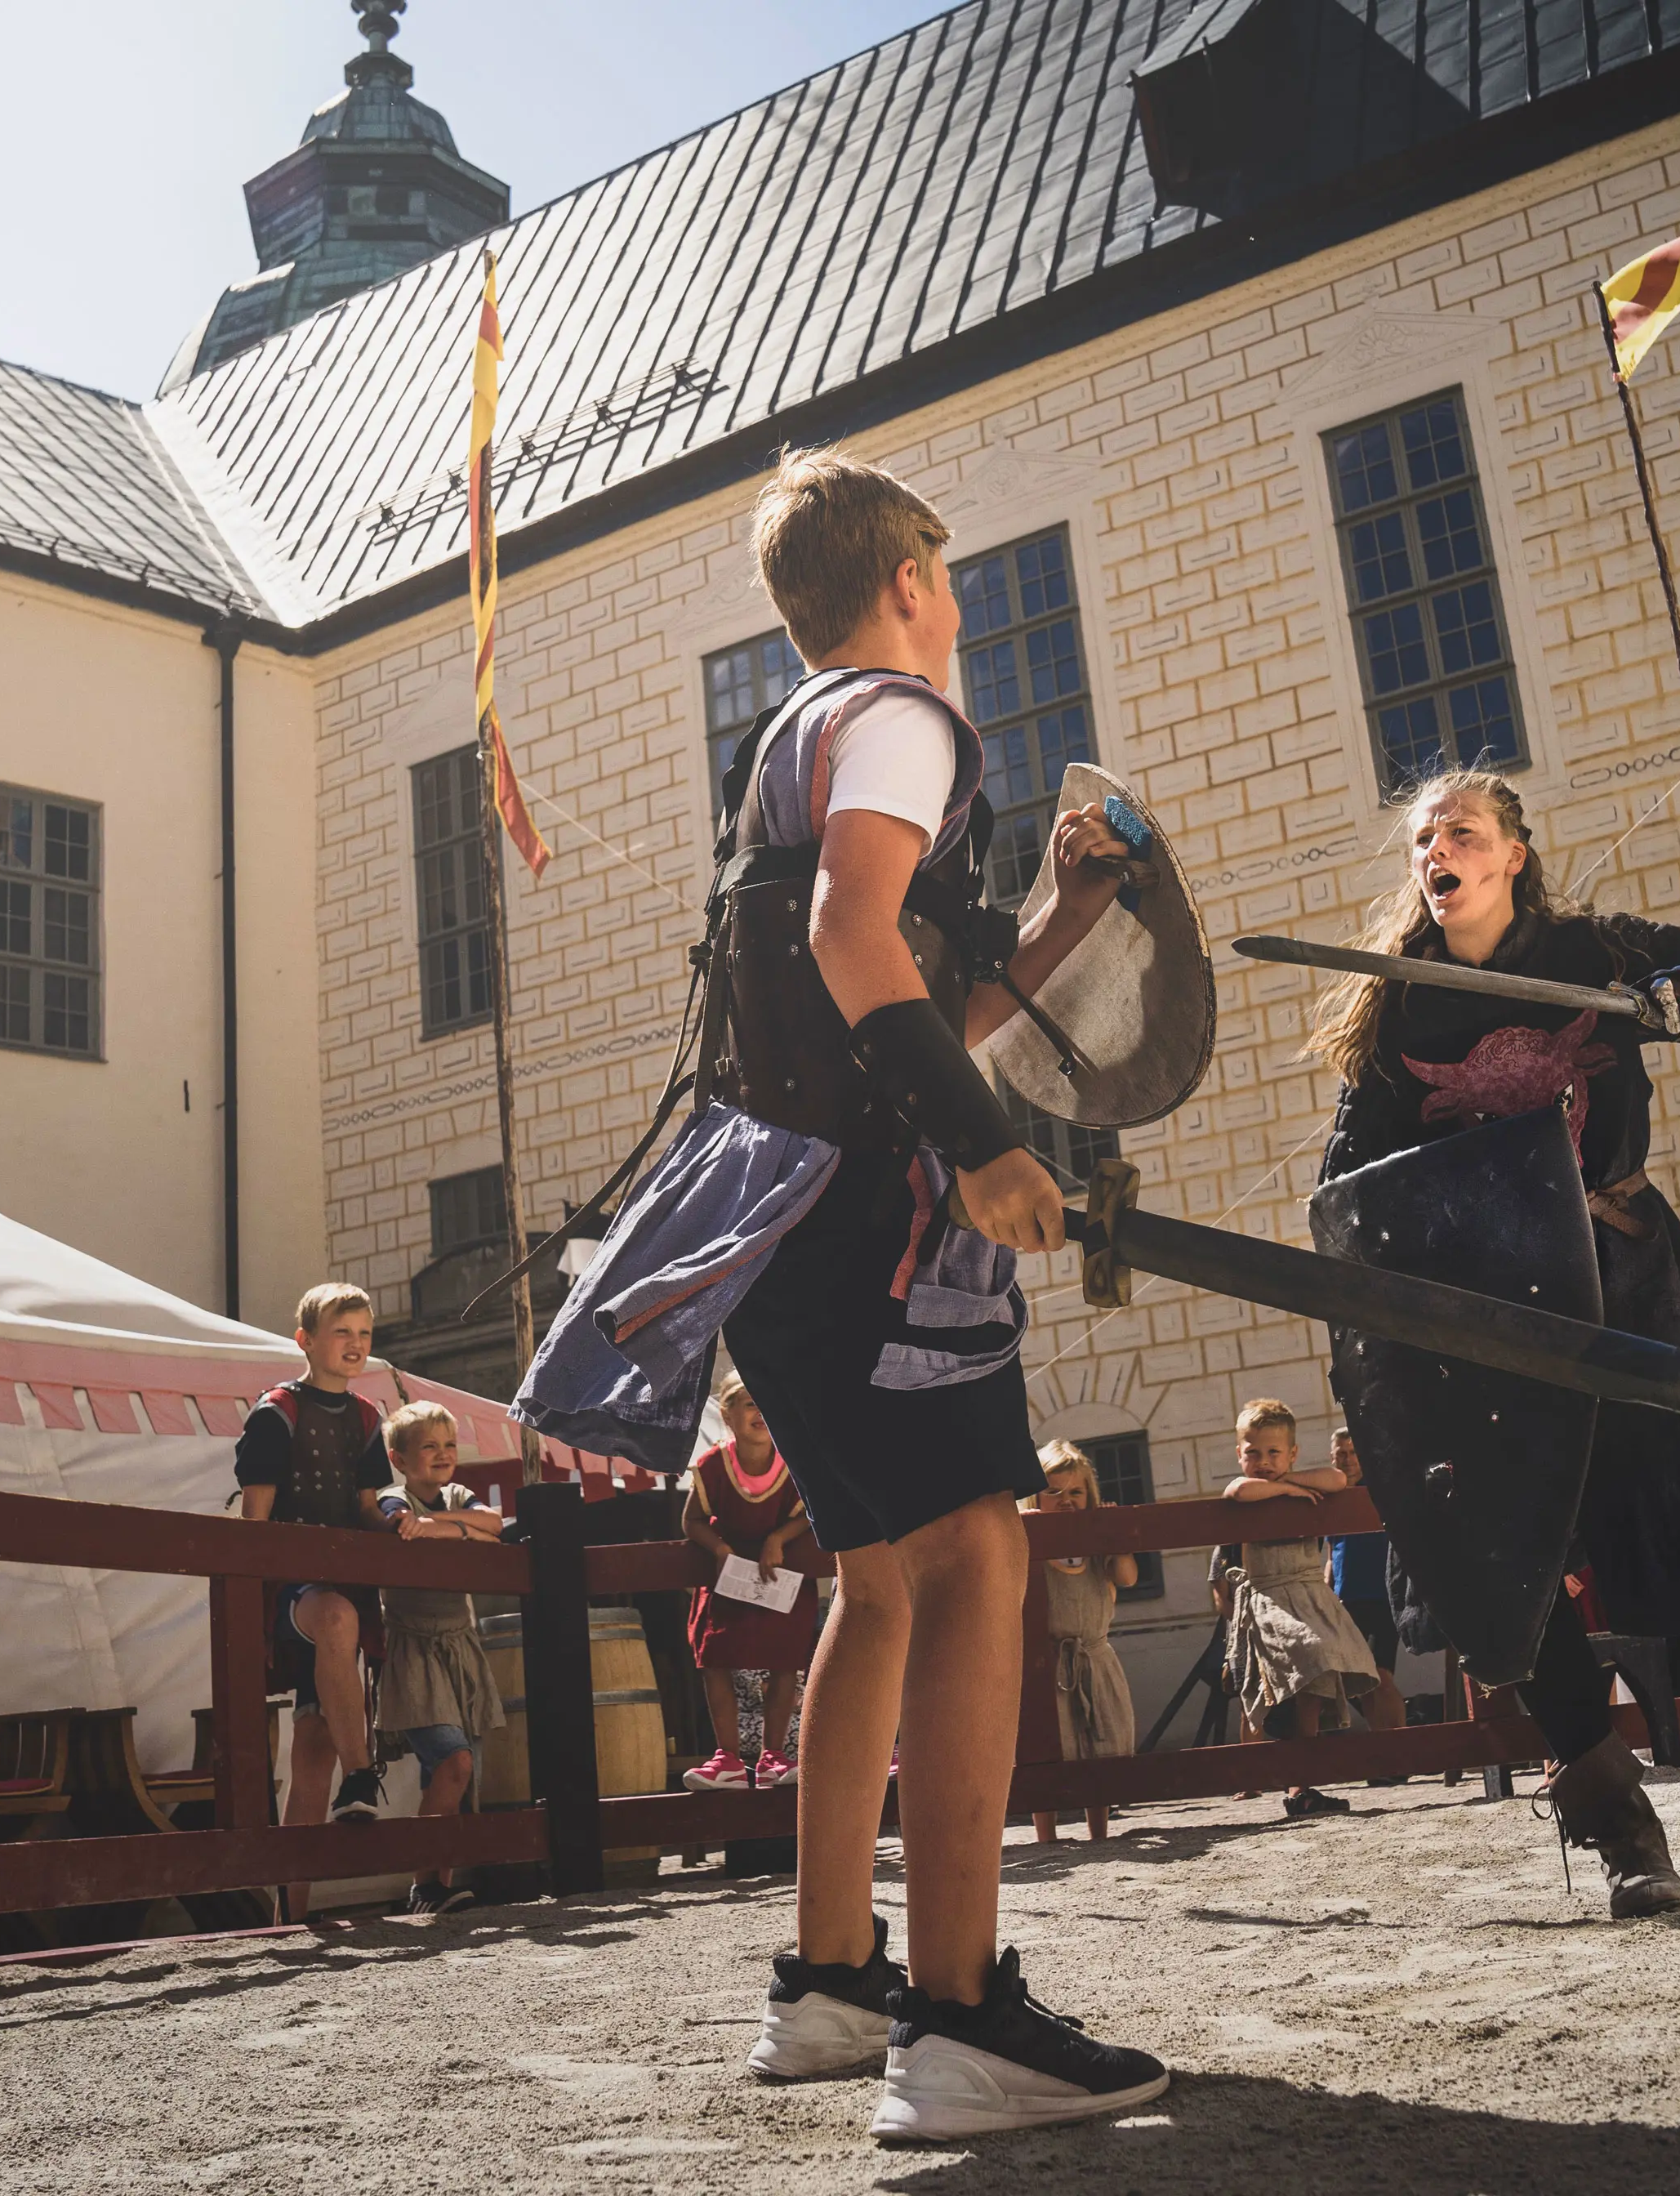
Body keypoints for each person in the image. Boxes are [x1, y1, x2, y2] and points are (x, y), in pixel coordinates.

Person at [528, 450, 1165, 2136]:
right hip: (872, 1216)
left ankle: (827, 1985)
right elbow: (850, 937)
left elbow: (895, 990)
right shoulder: (904, 717)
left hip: (769, 1214)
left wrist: (1058, 919)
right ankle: (960, 2019)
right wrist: (976, 1153)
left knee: (875, 1584)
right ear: (903, 586)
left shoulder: (787, 743)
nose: (958, 612)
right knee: (973, 1551)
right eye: (947, 580)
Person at [1305, 769, 1680, 1919]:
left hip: (1628, 1274)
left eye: (1460, 831)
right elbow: (1348, 1198)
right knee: (1500, 1562)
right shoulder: (1393, 1013)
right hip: (1486, 1323)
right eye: (1423, 838)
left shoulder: (1599, 954)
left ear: (1513, 852)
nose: (1436, 850)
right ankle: (1621, 1828)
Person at [234, 1283, 394, 1838]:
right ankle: (361, 1775)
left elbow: (368, 1508)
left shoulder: (370, 1417)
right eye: (342, 1332)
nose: (355, 1344)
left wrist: (402, 1520)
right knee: (334, 1618)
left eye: (364, 1334)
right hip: (290, 1595)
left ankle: (289, 1917)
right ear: (305, 1340)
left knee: (313, 1750)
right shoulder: (276, 1413)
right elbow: (256, 1518)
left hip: (347, 1590)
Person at [1208, 1399, 1379, 1819]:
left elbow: (1337, 1477)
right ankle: (1266, 1776)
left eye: (1274, 1453)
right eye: (1253, 1453)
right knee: (1276, 1681)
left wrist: (1295, 1482)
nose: (1263, 1462)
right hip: (1268, 1597)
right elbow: (1238, 1490)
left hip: (1307, 1595)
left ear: (1293, 1454)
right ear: (1239, 1454)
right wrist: (1288, 1489)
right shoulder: (1251, 1491)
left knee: (1317, 1676)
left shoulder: (1310, 1480)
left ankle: (1304, 1783)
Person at [372, 1400, 506, 1916]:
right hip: (413, 1644)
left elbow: (493, 1522)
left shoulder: (457, 1495)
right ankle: (424, 1883)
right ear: (400, 1457)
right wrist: (461, 1530)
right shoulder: (392, 1495)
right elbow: (402, 1524)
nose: (443, 1455)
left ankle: (432, 1887)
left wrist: (447, 1523)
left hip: (458, 1643)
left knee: (448, 1774)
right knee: (453, 1761)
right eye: (429, 1446)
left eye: (449, 1445)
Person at [682, 1374, 817, 1791]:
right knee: (715, 1658)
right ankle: (729, 1759)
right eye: (747, 1403)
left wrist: (779, 1538)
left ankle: (773, 1756)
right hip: (729, 1578)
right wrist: (720, 1550)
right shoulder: (712, 1466)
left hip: (778, 1576)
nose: (759, 1412)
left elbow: (809, 1514)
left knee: (784, 1660)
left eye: (765, 1402)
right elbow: (691, 1521)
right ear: (727, 1415)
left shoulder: (795, 1464)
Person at [1025, 1441, 1138, 1761]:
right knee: (1048, 1752)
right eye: (1053, 1492)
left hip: (1094, 1660)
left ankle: (1100, 1813)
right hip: (1047, 1666)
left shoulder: (1096, 1550)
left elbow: (1127, 1577)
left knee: (1102, 1746)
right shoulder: (1027, 1548)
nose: (1065, 1501)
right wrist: (1026, 1530)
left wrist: (1116, 1537)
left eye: (1076, 1492)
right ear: (1034, 1497)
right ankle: (1045, 1813)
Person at [1324, 1431, 1405, 1746]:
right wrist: (1326, 1593)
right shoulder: (1332, 1498)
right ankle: (1383, 1749)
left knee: (1382, 1676)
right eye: (1341, 1454)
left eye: (1353, 1453)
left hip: (1384, 1596)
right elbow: (1332, 1553)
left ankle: (1403, 1749)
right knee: (1356, 1682)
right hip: (1347, 1601)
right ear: (1332, 1458)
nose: (1347, 1459)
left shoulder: (1380, 1491)